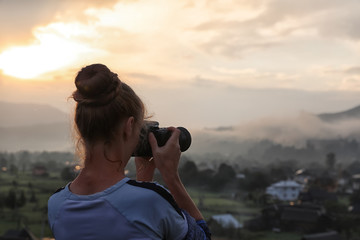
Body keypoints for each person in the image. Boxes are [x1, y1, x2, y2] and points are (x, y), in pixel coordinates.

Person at [47, 63, 211, 240]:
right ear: (130, 126)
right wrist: (171, 176)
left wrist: (143, 179)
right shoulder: (152, 201)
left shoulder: (57, 205)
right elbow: (201, 236)